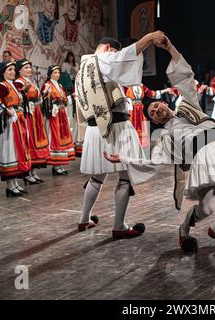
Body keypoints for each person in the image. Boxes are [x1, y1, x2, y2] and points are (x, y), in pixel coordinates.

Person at [104, 37, 215, 252]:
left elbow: (185, 75)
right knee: (206, 209)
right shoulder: (165, 136)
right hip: (206, 159)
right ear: (155, 122)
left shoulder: (188, 104)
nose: (156, 111)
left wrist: (169, 47)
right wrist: (123, 159)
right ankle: (184, 229)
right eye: (152, 115)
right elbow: (152, 162)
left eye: (156, 107)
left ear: (163, 103)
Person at [75, 32, 167, 236]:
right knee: (125, 175)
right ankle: (119, 226)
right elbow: (125, 57)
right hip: (115, 127)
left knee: (97, 177)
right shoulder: (102, 59)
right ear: (108, 48)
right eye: (113, 53)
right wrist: (149, 38)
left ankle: (84, 220)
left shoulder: (83, 68)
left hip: (94, 128)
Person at [0, 61, 32, 197]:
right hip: (10, 124)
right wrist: (7, 111)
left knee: (17, 152)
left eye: (13, 69)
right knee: (10, 152)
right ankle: (10, 186)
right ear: (3, 72)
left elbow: (20, 96)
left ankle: (15, 184)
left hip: (18, 121)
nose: (13, 72)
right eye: (9, 70)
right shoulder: (2, 85)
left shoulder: (13, 84)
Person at [15, 59, 50, 184]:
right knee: (29, 141)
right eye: (26, 68)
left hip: (36, 114)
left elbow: (37, 98)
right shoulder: (18, 82)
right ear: (19, 70)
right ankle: (27, 173)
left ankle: (33, 171)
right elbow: (17, 98)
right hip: (27, 116)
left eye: (30, 67)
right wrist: (23, 91)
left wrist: (43, 95)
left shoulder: (31, 82)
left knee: (35, 142)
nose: (29, 70)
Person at [42, 65, 76, 175]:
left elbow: (64, 99)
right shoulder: (47, 85)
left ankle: (60, 164)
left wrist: (68, 98)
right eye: (55, 72)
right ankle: (56, 166)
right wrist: (49, 99)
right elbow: (44, 100)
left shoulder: (60, 85)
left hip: (61, 114)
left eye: (58, 72)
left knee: (62, 137)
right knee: (55, 137)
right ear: (50, 74)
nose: (57, 74)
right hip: (54, 115)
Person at [125, 83, 176, 148]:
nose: (157, 110)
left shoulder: (141, 85)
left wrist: (165, 91)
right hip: (132, 111)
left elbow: (152, 94)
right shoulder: (125, 86)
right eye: (153, 113)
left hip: (140, 110)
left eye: (156, 106)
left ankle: (143, 143)